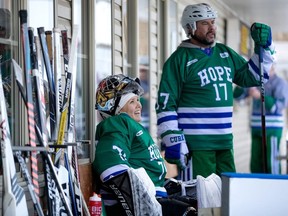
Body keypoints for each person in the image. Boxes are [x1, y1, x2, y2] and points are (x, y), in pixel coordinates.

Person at [156, 3, 276, 180]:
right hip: (196, 145)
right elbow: (166, 103)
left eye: (213, 22)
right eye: (205, 23)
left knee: (228, 198)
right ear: (191, 27)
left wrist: (264, 48)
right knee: (200, 200)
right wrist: (172, 136)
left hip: (225, 143)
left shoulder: (224, 52)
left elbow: (252, 77)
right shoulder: (178, 60)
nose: (212, 28)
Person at [93, 74, 196, 216]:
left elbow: (146, 173)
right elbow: (111, 167)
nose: (139, 105)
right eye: (131, 102)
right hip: (139, 205)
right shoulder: (119, 122)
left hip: (155, 199)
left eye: (138, 100)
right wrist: (145, 207)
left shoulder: (132, 127)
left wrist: (173, 187)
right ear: (115, 107)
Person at [234, 63, 288, 174]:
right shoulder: (255, 81)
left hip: (272, 128)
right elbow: (237, 96)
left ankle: (274, 185)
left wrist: (260, 96)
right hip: (256, 126)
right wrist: (240, 82)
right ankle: (257, 185)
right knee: (255, 161)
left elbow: (278, 106)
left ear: (273, 66)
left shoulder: (279, 83)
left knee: (271, 160)